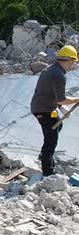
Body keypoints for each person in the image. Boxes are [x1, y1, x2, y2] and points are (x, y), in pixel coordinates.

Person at [30, 45, 79, 177]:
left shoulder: (52, 69)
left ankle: (44, 155)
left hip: (45, 107)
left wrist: (62, 110)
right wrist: (76, 100)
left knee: (58, 124)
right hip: (43, 110)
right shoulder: (58, 75)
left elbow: (52, 95)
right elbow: (62, 99)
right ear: (68, 60)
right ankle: (48, 172)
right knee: (51, 140)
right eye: (73, 61)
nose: (73, 64)